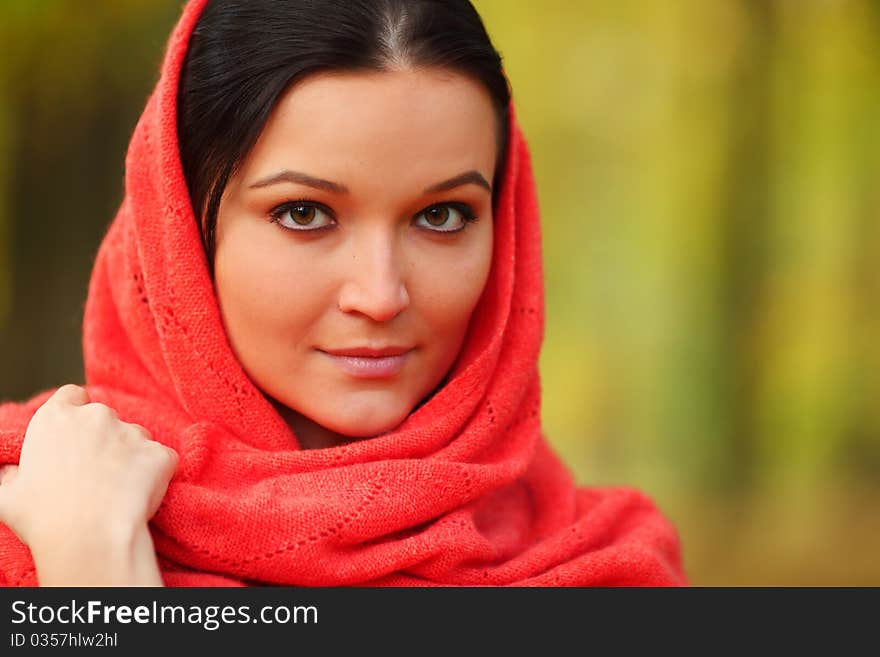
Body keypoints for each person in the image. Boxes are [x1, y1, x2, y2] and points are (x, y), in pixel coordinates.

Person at [0, 0, 686, 586]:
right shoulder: (21, 510)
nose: (381, 295)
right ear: (178, 229)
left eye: (441, 215)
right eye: (305, 212)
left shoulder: (607, 563)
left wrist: (95, 582)